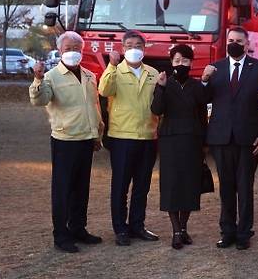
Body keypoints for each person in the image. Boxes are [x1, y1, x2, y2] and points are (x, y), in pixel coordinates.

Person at [29, 31, 103, 253]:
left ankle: (78, 228)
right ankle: (61, 235)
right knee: (63, 190)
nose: (73, 52)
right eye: (68, 48)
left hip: (86, 139)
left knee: (81, 188)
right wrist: (38, 79)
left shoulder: (90, 75)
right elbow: (39, 100)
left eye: (76, 48)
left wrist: (97, 135)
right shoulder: (51, 76)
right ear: (59, 51)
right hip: (65, 140)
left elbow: (95, 106)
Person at [201, 26, 258, 250]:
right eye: (231, 39)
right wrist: (204, 80)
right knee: (226, 187)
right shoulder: (215, 69)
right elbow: (203, 100)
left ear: (247, 44)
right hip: (221, 138)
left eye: (239, 41)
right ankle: (227, 231)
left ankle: (244, 233)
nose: (234, 43)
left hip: (248, 139)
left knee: (245, 186)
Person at [98, 30, 160, 246]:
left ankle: (137, 225)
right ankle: (120, 228)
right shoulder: (114, 72)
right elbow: (104, 90)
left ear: (144, 48)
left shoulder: (153, 73)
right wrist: (111, 66)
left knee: (142, 185)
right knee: (121, 185)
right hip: (122, 136)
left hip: (148, 136)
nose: (134, 49)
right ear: (123, 48)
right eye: (129, 45)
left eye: (138, 45)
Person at [151, 44, 208, 250]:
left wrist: (205, 141)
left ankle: (183, 228)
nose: (181, 64)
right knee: (172, 185)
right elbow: (156, 109)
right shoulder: (165, 83)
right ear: (171, 62)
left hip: (193, 139)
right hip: (170, 139)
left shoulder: (196, 86)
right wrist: (161, 87)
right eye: (176, 61)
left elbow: (203, 113)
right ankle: (175, 230)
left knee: (190, 185)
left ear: (191, 63)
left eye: (185, 61)